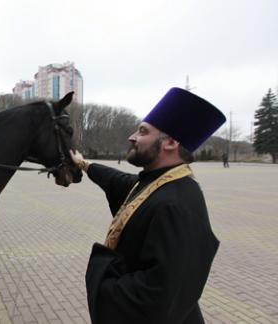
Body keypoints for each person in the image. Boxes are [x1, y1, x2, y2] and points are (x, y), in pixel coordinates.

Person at [71, 87, 226, 324]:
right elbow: (118, 180)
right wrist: (84, 164)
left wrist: (102, 274)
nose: (132, 136)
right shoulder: (157, 182)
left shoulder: (175, 205)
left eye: (143, 131)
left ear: (171, 142)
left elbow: (156, 298)